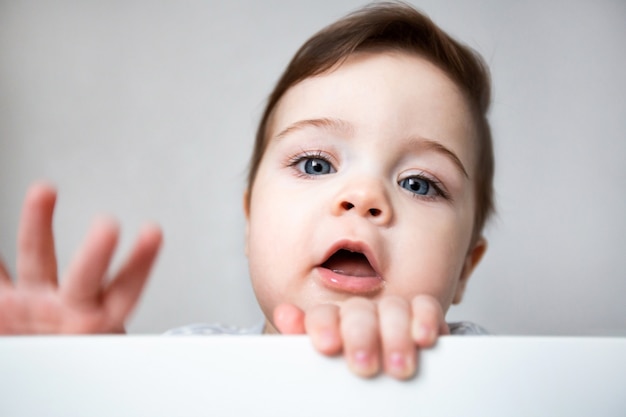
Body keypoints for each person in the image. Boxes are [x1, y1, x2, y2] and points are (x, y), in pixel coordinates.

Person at [0, 1, 494, 380]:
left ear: (465, 270)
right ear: (250, 221)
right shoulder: (187, 366)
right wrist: (79, 378)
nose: (363, 196)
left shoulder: (486, 371)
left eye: (418, 183)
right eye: (316, 163)